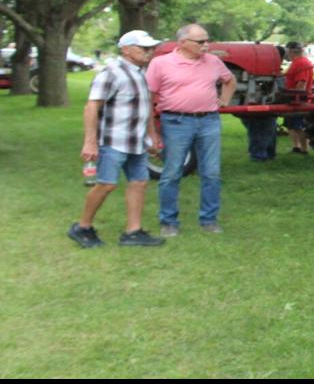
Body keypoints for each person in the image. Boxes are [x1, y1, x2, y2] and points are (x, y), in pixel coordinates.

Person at [70, 30, 166, 248]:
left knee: (139, 182)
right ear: (126, 49)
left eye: (151, 48)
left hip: (136, 142)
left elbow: (146, 107)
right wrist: (90, 141)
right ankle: (82, 227)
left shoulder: (141, 73)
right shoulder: (111, 73)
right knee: (106, 185)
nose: (149, 52)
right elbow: (91, 107)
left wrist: (152, 134)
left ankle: (133, 232)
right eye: (144, 48)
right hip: (113, 142)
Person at [146, 23, 234, 235]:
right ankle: (168, 222)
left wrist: (224, 100)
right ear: (182, 43)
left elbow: (229, 80)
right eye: (201, 42)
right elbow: (148, 98)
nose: (206, 45)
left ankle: (209, 220)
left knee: (211, 173)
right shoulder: (160, 63)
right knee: (172, 172)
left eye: (207, 40)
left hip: (209, 122)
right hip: (176, 122)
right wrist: (152, 131)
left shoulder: (213, 61)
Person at [282, 42, 314, 154]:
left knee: (297, 125)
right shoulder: (297, 62)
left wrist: (296, 97)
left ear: (291, 51)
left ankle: (304, 149)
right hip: (292, 96)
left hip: (298, 97)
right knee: (291, 124)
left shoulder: (301, 63)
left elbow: (301, 83)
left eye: (287, 52)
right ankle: (296, 147)